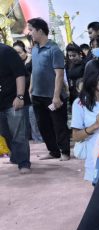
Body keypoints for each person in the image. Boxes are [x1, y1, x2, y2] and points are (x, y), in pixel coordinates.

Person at [27, 17, 70, 161]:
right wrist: (31, 89)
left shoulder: (54, 49)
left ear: (40, 31)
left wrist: (56, 96)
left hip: (53, 96)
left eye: (31, 30)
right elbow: (34, 71)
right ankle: (53, 151)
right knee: (43, 125)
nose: (29, 33)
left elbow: (59, 74)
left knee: (59, 125)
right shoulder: (34, 49)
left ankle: (65, 152)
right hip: (37, 95)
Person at [71, 60, 99, 182]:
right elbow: (76, 136)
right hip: (95, 159)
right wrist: (95, 126)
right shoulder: (80, 103)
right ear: (93, 78)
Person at [0, 43, 31, 173]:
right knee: (5, 133)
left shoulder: (6, 51)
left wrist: (20, 96)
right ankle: (16, 156)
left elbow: (20, 74)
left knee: (19, 133)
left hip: (13, 100)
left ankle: (24, 163)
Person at [13, 39, 43, 143]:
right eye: (15, 53)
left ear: (25, 51)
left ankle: (39, 141)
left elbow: (34, 77)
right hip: (23, 97)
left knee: (34, 121)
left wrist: (30, 90)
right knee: (26, 122)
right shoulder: (15, 64)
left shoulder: (32, 61)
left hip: (33, 95)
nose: (17, 55)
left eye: (19, 52)